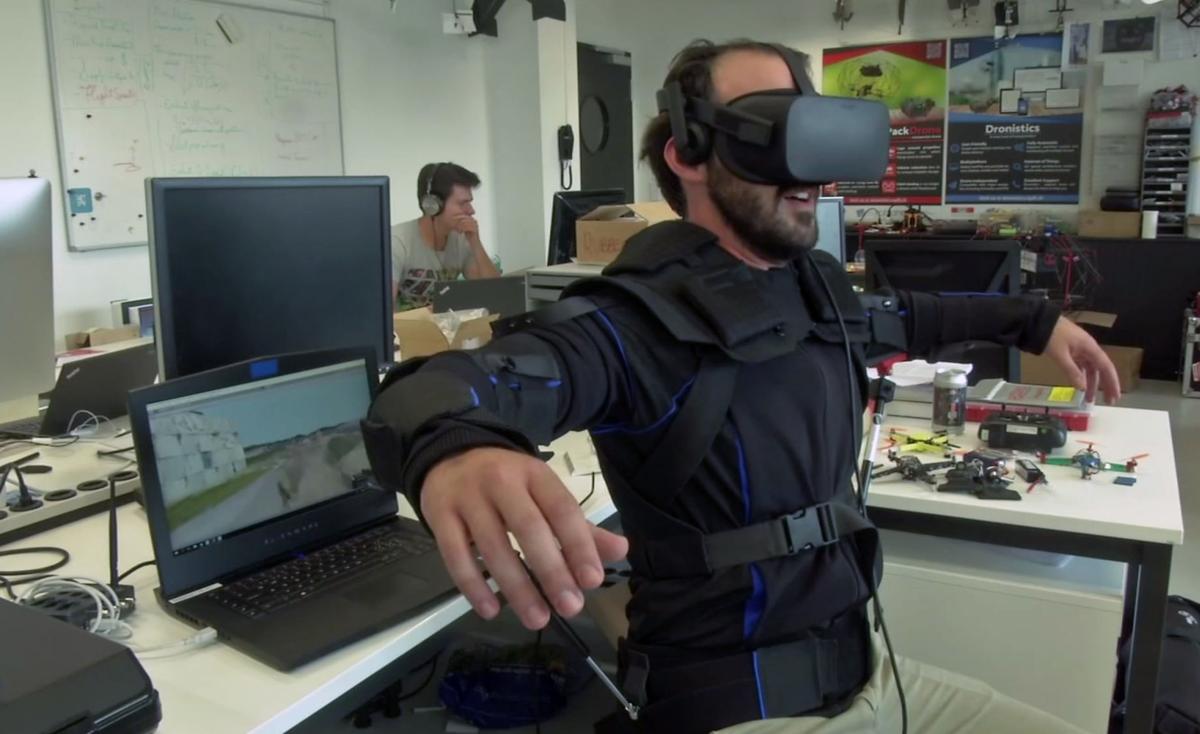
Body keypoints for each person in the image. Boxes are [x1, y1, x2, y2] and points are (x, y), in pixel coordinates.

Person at [362, 40, 1121, 734]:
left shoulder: (812, 291)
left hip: (875, 679)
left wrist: (1036, 321)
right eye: (773, 131)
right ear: (688, 153)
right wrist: (455, 446)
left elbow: (916, 316)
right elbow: (439, 387)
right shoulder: (634, 323)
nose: (811, 172)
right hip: (742, 710)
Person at [391, 162, 500, 310]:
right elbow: (382, 311)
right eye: (462, 203)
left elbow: (494, 294)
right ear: (432, 205)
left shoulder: (461, 239)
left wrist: (476, 242)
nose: (471, 211)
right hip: (407, 325)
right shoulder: (396, 242)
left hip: (446, 324)